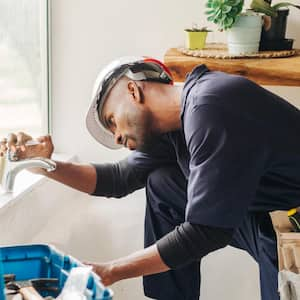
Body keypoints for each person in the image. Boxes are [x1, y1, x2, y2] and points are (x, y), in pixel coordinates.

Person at [1, 56, 300, 300]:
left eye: (111, 120)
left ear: (133, 90)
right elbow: (117, 179)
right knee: (163, 184)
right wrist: (40, 163)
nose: (116, 136)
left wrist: (112, 270)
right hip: (267, 218)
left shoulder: (212, 105)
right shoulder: (175, 130)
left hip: (293, 225)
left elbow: (206, 231)